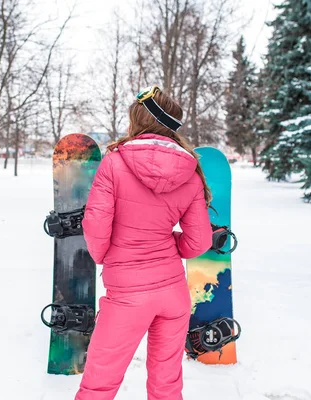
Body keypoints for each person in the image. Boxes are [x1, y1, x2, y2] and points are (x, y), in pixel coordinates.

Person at [75, 86, 213, 400]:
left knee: (99, 384)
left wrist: (107, 257)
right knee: (167, 387)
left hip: (127, 294)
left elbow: (95, 226)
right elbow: (199, 240)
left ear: (138, 120)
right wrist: (168, 243)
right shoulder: (191, 172)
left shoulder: (114, 162)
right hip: (173, 294)